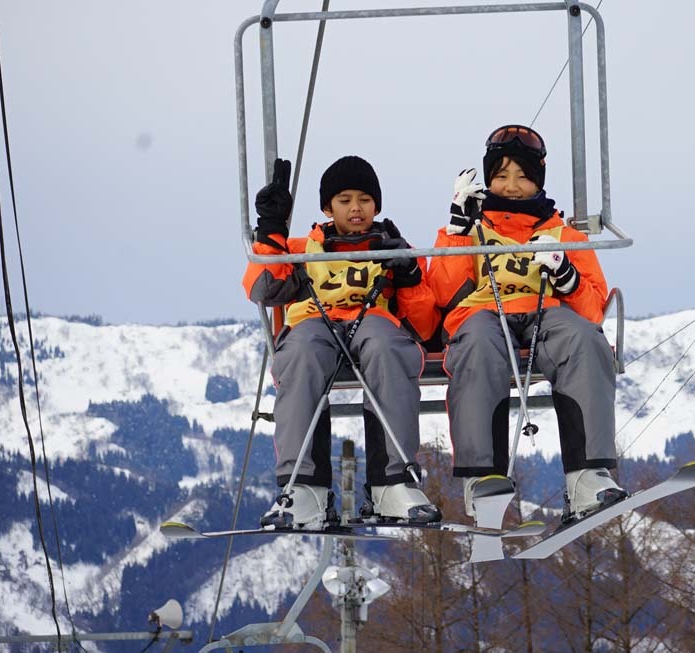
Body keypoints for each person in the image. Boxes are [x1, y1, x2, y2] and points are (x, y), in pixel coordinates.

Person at [428, 125, 628, 522]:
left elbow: (593, 311)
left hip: (546, 313)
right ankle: (482, 477)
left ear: (538, 179)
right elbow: (442, 296)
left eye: (522, 176)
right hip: (484, 311)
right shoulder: (471, 229)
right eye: (501, 176)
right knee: (477, 346)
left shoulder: (562, 234)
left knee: (584, 341)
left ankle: (587, 475)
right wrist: (456, 234)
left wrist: (566, 276)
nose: (511, 186)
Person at [243, 155, 442, 528]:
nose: (355, 209)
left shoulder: (391, 248)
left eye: (365, 200)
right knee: (302, 354)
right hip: (316, 321)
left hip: (374, 323)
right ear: (328, 207)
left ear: (376, 206)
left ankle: (392, 482)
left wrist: (410, 276)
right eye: (345, 200)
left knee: (388, 348)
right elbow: (263, 289)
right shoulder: (305, 249)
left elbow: (425, 325)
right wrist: (270, 232)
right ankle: (305, 487)